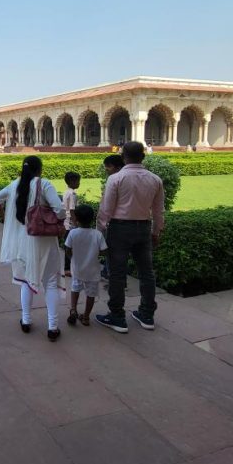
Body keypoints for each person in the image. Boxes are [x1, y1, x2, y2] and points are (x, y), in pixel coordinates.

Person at [0, 156, 66, 342]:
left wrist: (5, 218)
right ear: (40, 169)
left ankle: (26, 320)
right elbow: (60, 210)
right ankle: (52, 327)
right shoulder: (44, 184)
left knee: (25, 281)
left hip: (21, 242)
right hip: (43, 240)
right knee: (50, 283)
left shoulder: (15, 184)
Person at [96, 141, 165, 333]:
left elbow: (106, 210)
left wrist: (99, 233)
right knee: (147, 273)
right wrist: (156, 231)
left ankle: (117, 316)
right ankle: (147, 314)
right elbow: (159, 211)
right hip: (143, 227)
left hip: (120, 228)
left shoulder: (116, 178)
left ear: (123, 156)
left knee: (117, 273)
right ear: (143, 156)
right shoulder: (155, 179)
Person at [65, 205, 107, 326]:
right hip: (93, 271)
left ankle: (73, 309)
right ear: (92, 219)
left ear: (76, 219)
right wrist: (96, 252)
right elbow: (104, 251)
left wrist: (71, 257)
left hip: (77, 269)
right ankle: (86, 317)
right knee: (91, 294)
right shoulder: (97, 234)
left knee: (75, 289)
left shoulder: (73, 233)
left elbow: (68, 249)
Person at [100, 154, 124, 280]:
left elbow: (108, 205)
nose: (106, 169)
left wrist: (103, 224)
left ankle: (112, 276)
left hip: (115, 223)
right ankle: (107, 271)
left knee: (112, 253)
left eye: (108, 166)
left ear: (118, 167)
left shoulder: (114, 179)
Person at [62, 171, 81, 276]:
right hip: (70, 224)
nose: (79, 183)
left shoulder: (66, 192)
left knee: (68, 246)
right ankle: (68, 268)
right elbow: (72, 210)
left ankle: (68, 268)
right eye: (78, 181)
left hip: (66, 223)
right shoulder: (72, 194)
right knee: (70, 247)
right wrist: (76, 224)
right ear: (72, 181)